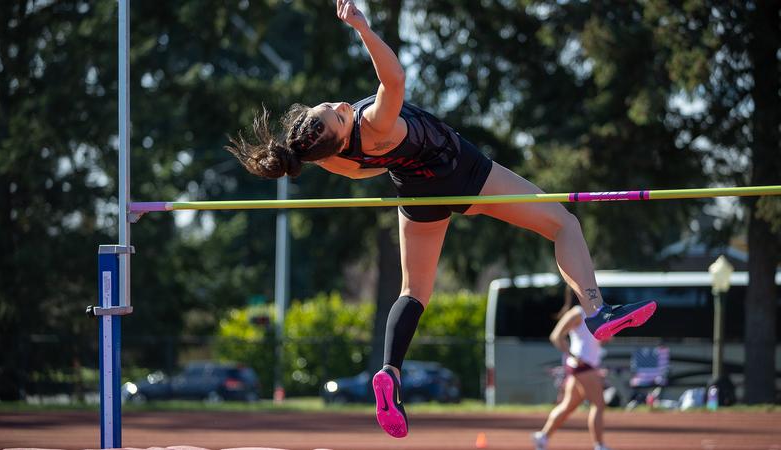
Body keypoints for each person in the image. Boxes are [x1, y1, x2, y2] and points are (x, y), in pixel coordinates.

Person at [226, 0, 656, 439]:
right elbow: (394, 79)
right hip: (463, 170)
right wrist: (363, 29)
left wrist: (393, 154)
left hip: (416, 190)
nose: (338, 104)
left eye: (328, 107)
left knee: (414, 291)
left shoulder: (331, 157)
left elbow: (369, 168)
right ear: (338, 134)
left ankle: (390, 371)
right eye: (336, 114)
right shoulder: (374, 121)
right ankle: (596, 309)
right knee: (564, 223)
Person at [532, 287, 613, 450]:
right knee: (598, 403)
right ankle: (599, 446)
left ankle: (542, 437)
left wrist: (607, 334)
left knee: (568, 406)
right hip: (583, 366)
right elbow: (556, 336)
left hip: (586, 365)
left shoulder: (594, 314)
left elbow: (601, 339)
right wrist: (572, 356)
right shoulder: (577, 313)